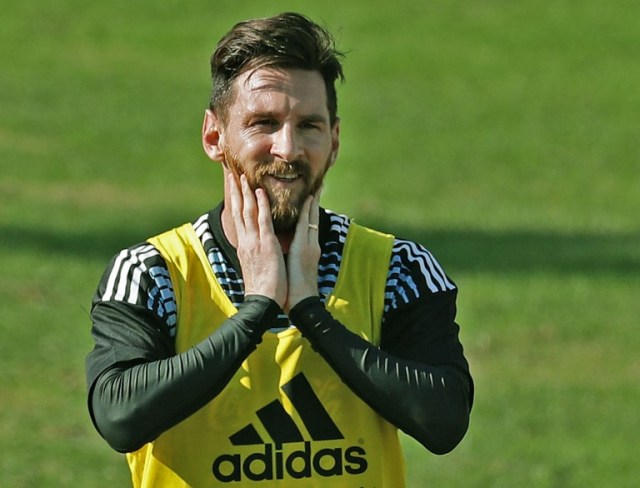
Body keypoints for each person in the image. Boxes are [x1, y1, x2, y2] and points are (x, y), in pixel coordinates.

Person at [86, 12, 473, 487]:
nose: (287, 148)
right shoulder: (152, 272)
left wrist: (313, 313)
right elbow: (120, 417)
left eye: (308, 125)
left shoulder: (399, 268)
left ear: (333, 140)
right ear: (215, 137)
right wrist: (256, 311)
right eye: (263, 123)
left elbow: (445, 421)